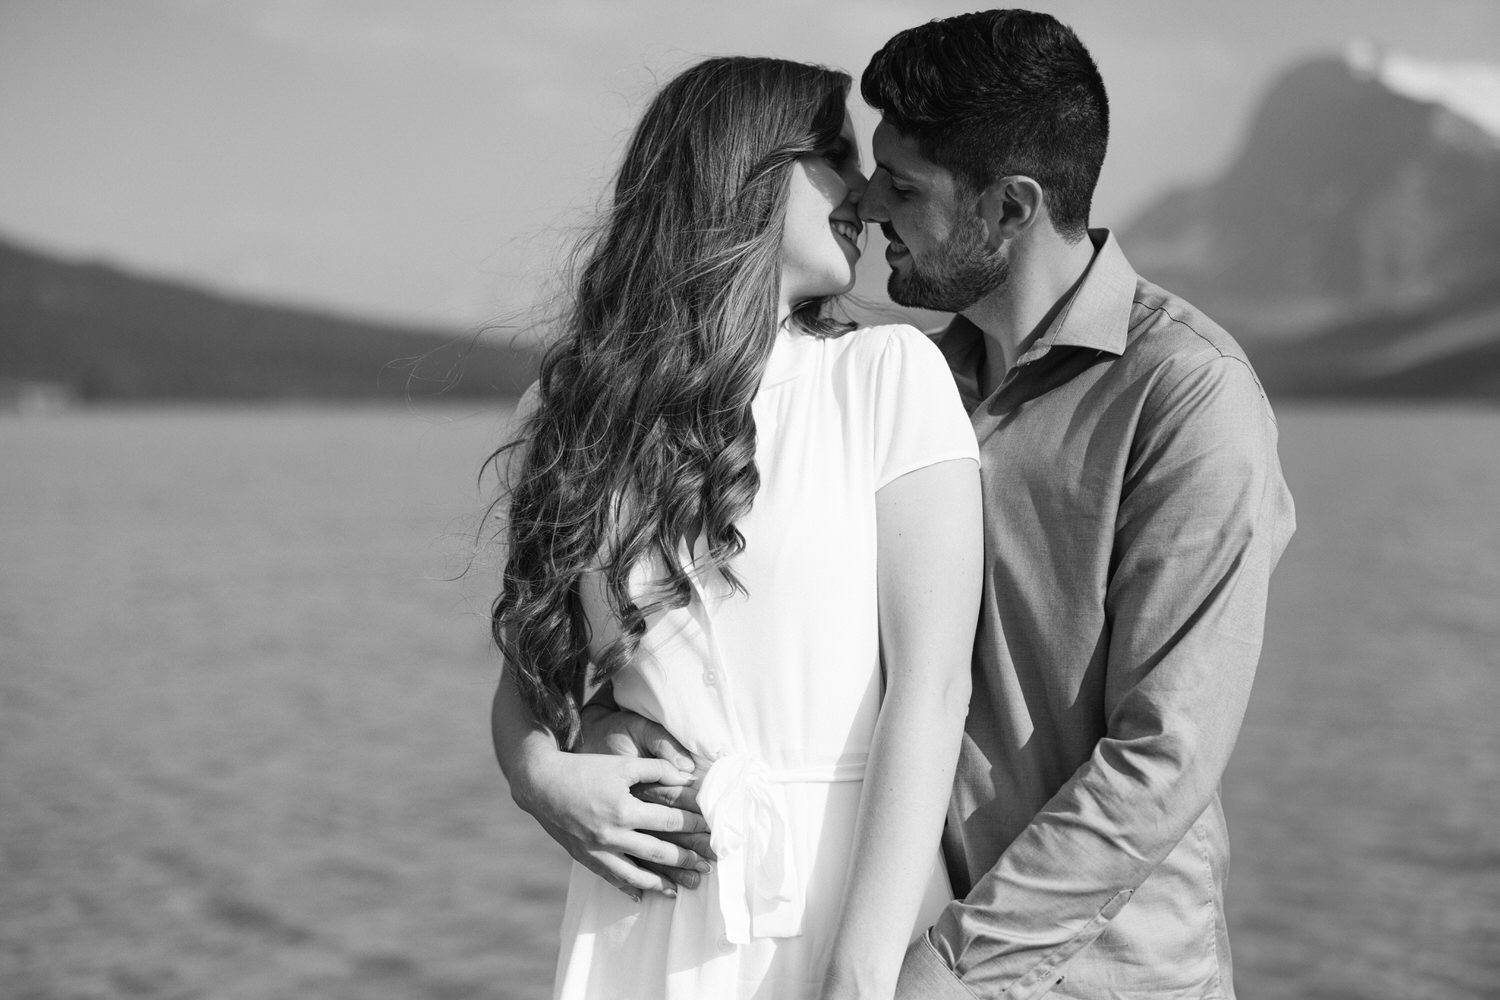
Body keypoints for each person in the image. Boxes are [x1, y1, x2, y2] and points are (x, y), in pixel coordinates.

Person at [508, 10, 1298, 1000]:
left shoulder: (1185, 395)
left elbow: (1164, 757)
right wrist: (558, 748)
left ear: (1009, 209)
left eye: (905, 185)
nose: (873, 203)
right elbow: (641, 630)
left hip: (1093, 972)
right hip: (867, 925)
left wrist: (928, 969)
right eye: (860, 167)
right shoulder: (912, 370)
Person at [487, 56, 983, 1000]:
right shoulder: (579, 409)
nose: (869, 196)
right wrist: (538, 775)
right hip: (650, 912)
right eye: (835, 158)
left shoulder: (886, 379)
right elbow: (537, 670)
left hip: (852, 899)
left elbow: (934, 687)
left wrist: (859, 974)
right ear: (743, 175)